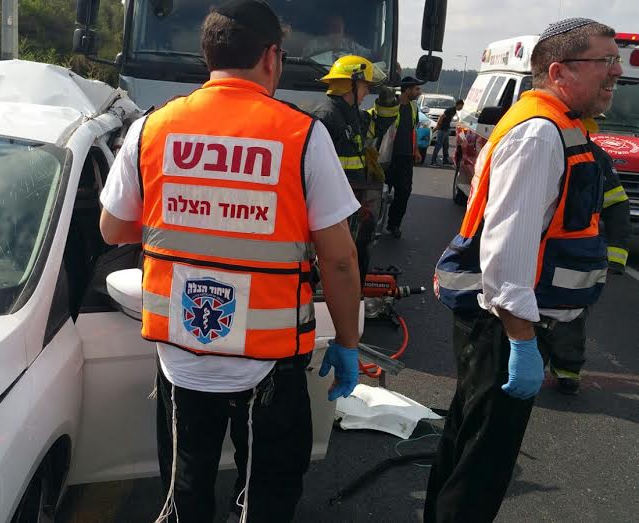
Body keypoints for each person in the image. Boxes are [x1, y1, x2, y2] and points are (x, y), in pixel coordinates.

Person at [98, 2, 363, 521]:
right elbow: (340, 261)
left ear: (207, 56)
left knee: (186, 490)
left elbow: (112, 228)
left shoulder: (151, 128)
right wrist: (349, 344)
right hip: (270, 360)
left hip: (181, 355)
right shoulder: (303, 136)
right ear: (271, 58)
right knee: (265, 496)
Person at [429, 18, 621, 521]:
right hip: (503, 325)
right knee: (482, 462)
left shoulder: (557, 124)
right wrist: (520, 341)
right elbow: (507, 248)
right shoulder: (540, 135)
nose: (616, 72)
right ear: (559, 71)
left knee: (469, 440)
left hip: (505, 322)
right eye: (605, 61)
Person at [541, 117, 632, 395]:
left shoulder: (596, 158)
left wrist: (616, 256)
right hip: (552, 253)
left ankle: (567, 371)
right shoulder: (547, 148)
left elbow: (617, 205)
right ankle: (538, 366)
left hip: (574, 255)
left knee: (570, 314)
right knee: (535, 313)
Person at [312, 55, 389, 286]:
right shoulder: (327, 116)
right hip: (335, 203)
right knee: (339, 259)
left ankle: (353, 291)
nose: (367, 93)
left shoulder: (350, 114)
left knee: (358, 250)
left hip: (353, 198)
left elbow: (379, 126)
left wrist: (389, 100)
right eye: (365, 86)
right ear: (351, 84)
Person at [384, 76, 424, 238]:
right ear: (407, 90)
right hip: (389, 157)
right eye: (416, 89)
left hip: (406, 158)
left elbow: (412, 130)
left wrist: (416, 150)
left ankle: (393, 224)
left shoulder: (414, 107)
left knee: (404, 192)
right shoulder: (391, 104)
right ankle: (372, 224)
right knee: (380, 192)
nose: (419, 92)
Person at [429, 99, 464, 166]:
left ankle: (445, 161)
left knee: (446, 146)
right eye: (461, 106)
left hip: (446, 130)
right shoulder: (450, 110)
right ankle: (433, 161)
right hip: (442, 130)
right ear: (459, 105)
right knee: (438, 146)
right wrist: (438, 125)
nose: (461, 108)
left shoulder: (454, 111)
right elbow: (441, 117)